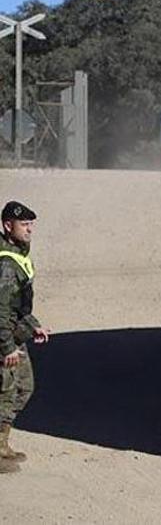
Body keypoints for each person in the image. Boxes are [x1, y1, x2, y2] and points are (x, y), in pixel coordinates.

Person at [0, 201, 49, 474]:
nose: (30, 230)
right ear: (8, 225)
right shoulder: (6, 263)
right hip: (5, 339)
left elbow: (19, 304)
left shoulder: (18, 252)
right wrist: (6, 346)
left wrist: (33, 325)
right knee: (5, 392)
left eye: (31, 225)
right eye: (24, 225)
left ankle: (2, 442)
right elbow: (1, 309)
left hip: (16, 334)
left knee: (23, 388)